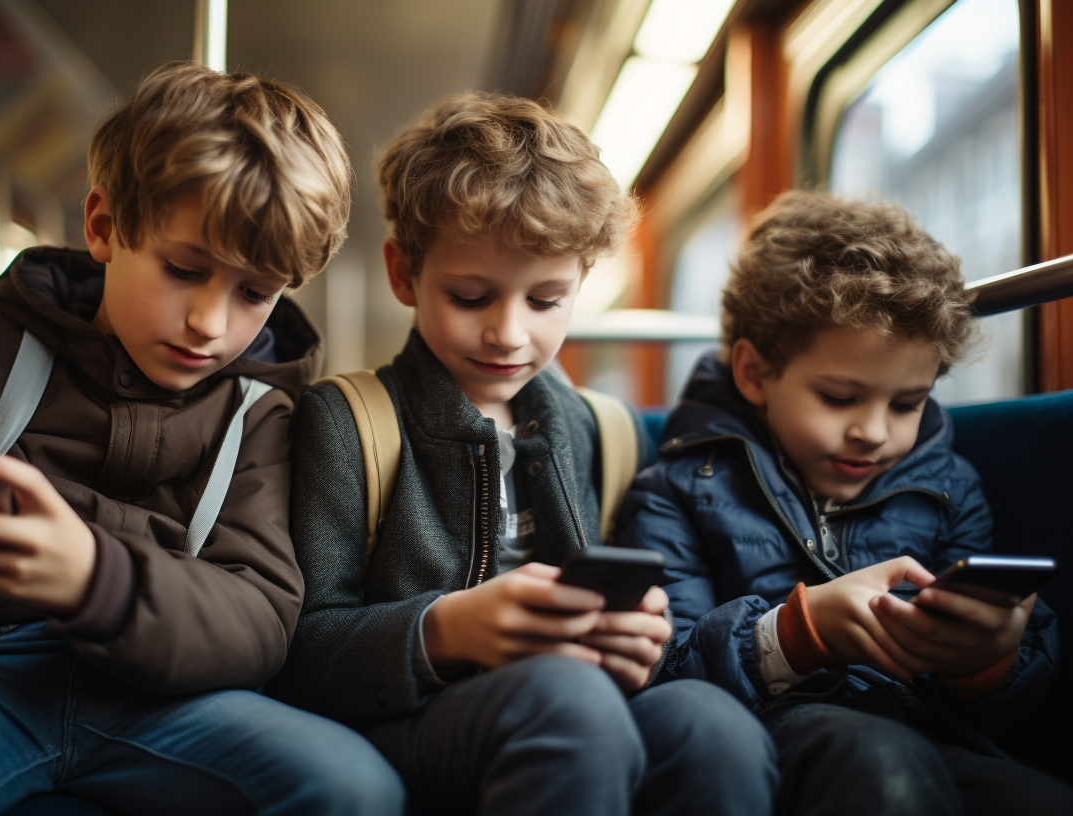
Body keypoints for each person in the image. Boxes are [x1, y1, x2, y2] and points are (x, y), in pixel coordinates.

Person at [0, 63, 403, 816]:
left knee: (351, 787)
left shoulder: (263, 418)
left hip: (164, 694)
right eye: (185, 270)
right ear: (104, 227)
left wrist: (98, 581)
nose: (210, 325)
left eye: (255, 293)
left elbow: (256, 620)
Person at [264, 92, 776, 816]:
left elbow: (644, 625)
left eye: (545, 301)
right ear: (405, 275)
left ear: (581, 288)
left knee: (710, 725)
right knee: (566, 704)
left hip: (580, 709)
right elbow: (294, 652)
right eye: (472, 297)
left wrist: (643, 637)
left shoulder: (610, 432)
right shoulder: (348, 422)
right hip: (408, 726)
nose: (508, 333)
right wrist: (443, 630)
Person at [618, 190, 1073, 816]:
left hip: (929, 727)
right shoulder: (678, 489)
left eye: (906, 404)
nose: (874, 432)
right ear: (754, 373)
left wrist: (987, 659)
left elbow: (1010, 710)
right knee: (878, 765)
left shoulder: (949, 485)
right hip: (773, 731)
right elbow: (660, 672)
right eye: (840, 398)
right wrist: (796, 635)